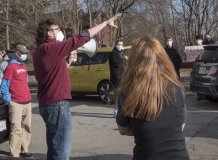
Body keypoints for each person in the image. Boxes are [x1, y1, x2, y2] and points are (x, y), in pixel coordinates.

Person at [33, 13, 122, 160]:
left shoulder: (40, 51)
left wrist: (68, 62)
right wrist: (105, 23)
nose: (59, 31)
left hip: (47, 105)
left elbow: (49, 75)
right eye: (56, 29)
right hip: (58, 105)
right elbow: (81, 37)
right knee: (61, 153)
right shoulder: (51, 48)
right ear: (49, 33)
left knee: (54, 150)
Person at [113, 36, 189, 160]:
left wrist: (141, 130)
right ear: (163, 59)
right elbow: (181, 125)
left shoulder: (127, 92)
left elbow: (123, 130)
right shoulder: (178, 89)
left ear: (134, 61)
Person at [0, 45, 33, 158]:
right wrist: (9, 100)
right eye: (24, 53)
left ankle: (24, 150)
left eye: (26, 53)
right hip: (16, 103)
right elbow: (4, 85)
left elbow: (25, 82)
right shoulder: (11, 66)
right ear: (17, 53)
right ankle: (15, 154)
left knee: (26, 127)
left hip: (27, 101)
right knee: (16, 129)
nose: (25, 55)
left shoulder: (23, 66)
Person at [113, 51, 128, 118]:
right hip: (122, 81)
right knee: (118, 96)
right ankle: (116, 111)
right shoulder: (123, 62)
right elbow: (122, 70)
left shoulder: (131, 62)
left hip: (127, 81)